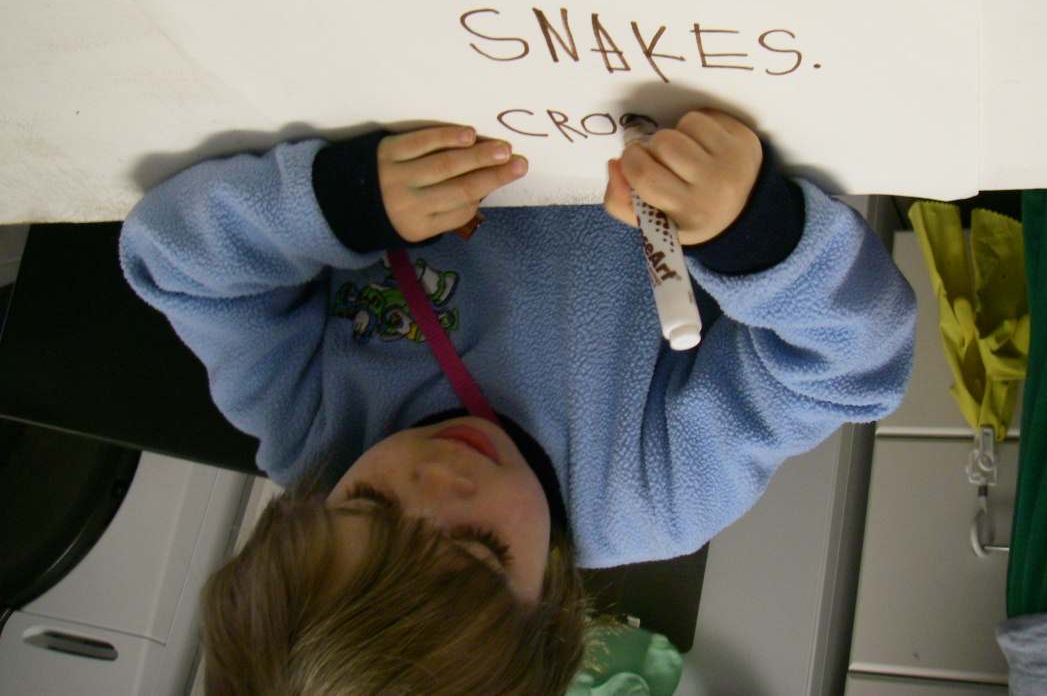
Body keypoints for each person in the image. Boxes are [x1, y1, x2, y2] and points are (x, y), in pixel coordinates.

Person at [119, 108, 916, 695]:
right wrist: (749, 234)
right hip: (674, 66)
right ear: (554, 613)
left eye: (368, 504)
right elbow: (857, 362)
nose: (440, 479)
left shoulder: (309, 438)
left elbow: (174, 261)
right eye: (478, 547)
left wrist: (343, 200)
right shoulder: (658, 495)